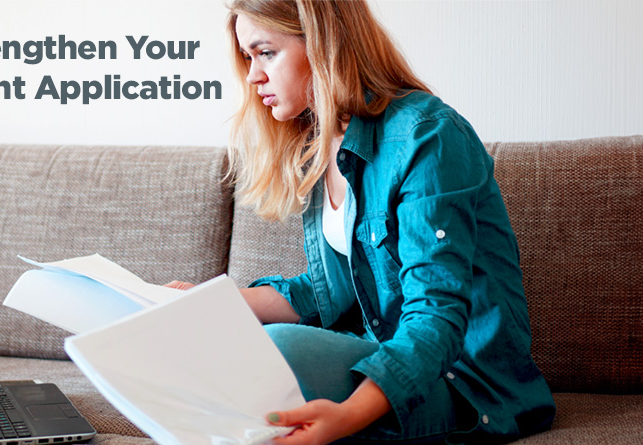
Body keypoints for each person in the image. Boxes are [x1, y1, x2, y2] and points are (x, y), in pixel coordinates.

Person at [168, 0, 555, 443]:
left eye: (266, 53)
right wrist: (206, 302)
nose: (253, 75)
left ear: (322, 42)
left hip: (467, 382)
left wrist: (349, 416)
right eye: (247, 58)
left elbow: (436, 313)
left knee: (279, 350)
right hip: (386, 353)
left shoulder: (427, 135)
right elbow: (329, 292)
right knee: (222, 346)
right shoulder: (319, 146)